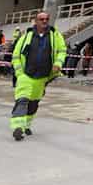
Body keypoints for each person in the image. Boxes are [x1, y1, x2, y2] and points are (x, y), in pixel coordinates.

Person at [9, 11, 67, 141]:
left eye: (46, 19)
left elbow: (62, 51)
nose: (44, 21)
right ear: (36, 21)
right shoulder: (27, 35)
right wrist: (19, 73)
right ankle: (18, 128)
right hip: (26, 75)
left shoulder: (55, 35)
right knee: (22, 100)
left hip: (42, 77)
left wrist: (58, 63)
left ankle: (27, 125)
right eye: (41, 19)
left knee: (34, 103)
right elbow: (16, 55)